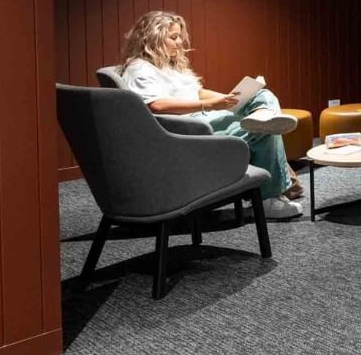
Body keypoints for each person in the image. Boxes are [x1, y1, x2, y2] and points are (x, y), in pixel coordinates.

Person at [116, 11, 304, 219]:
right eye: (173, 37)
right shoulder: (139, 68)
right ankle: (269, 199)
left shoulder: (170, 65)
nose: (180, 43)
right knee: (265, 133)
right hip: (189, 129)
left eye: (180, 36)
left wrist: (228, 98)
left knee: (262, 95)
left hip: (204, 117)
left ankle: (263, 117)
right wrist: (211, 104)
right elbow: (156, 105)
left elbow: (196, 91)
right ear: (152, 38)